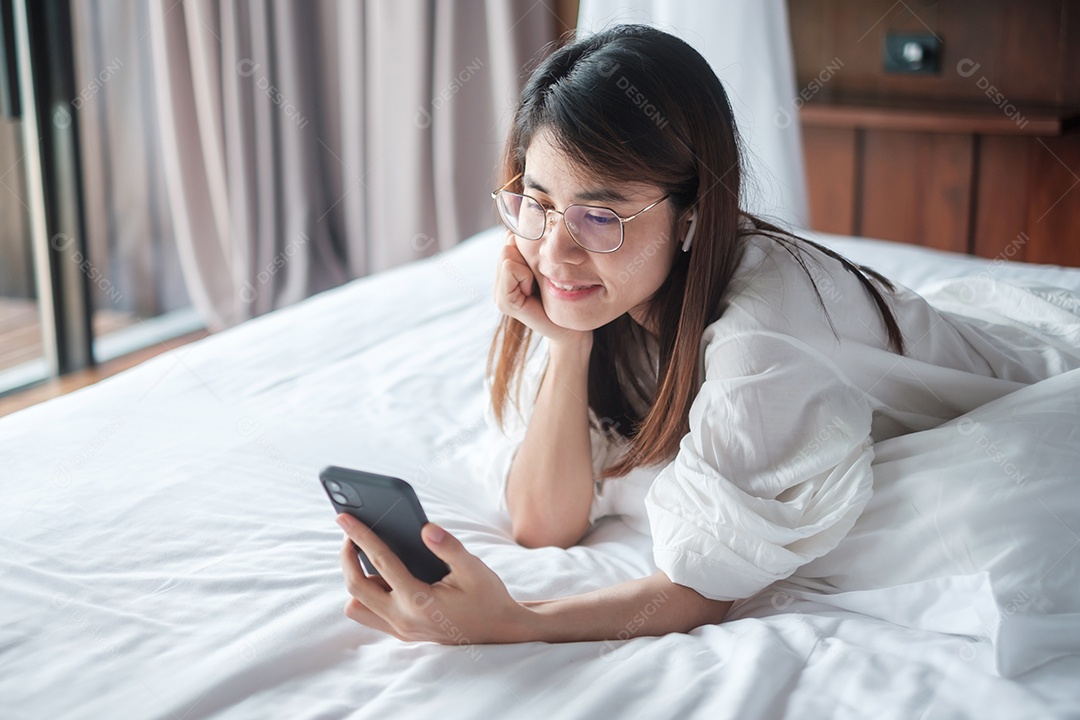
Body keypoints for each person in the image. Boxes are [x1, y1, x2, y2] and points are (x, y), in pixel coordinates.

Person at [334, 24, 1077, 644]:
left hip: (1026, 383)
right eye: (537, 202)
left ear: (690, 215)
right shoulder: (592, 289)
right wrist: (566, 341)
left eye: (602, 215)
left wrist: (518, 623)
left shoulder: (767, 324)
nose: (555, 252)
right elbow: (542, 524)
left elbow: (705, 587)